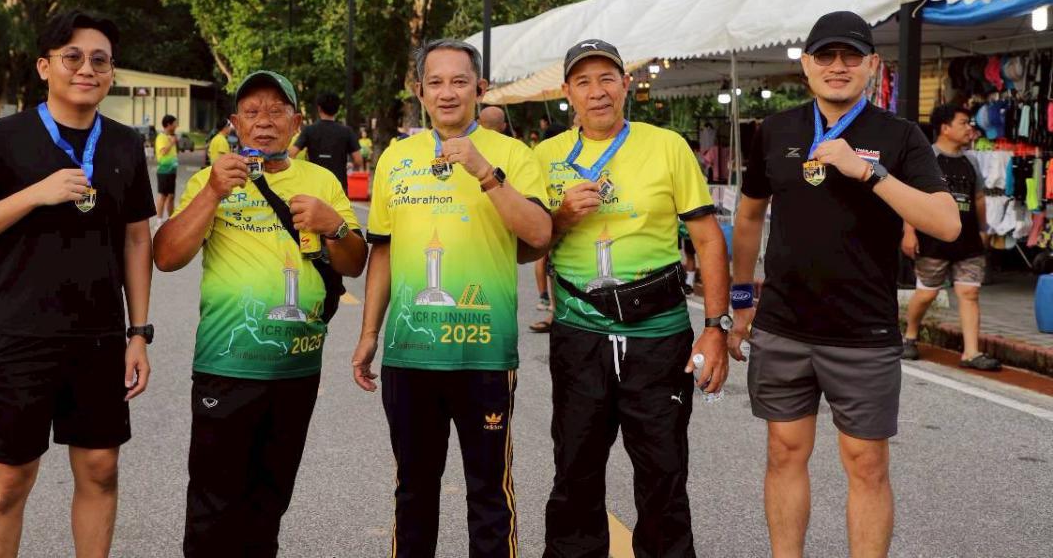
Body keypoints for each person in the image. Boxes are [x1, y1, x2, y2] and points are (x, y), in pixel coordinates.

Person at [729, 11, 960, 558]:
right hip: (783, 325)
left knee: (867, 464)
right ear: (806, 65)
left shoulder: (899, 135)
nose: (838, 66)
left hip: (863, 331)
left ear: (872, 65)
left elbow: (946, 223)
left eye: (851, 55)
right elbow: (748, 216)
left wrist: (870, 172)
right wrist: (740, 300)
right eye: (826, 55)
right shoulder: (776, 130)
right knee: (784, 452)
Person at [0, 10, 155, 558]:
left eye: (100, 60)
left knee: (101, 469)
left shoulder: (124, 144)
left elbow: (137, 239)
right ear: (44, 67)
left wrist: (138, 333)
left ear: (111, 72)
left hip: (99, 337)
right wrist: (34, 194)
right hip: (21, 334)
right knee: (10, 481)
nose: (87, 69)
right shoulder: (3, 138)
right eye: (72, 57)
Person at [154, 70, 367, 556]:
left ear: (297, 122)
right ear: (235, 124)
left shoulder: (320, 181)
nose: (264, 121)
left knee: (269, 500)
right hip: (227, 365)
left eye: (276, 111)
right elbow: (166, 256)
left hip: (297, 368)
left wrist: (334, 226)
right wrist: (212, 193)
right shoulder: (212, 179)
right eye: (252, 112)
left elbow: (354, 264)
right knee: (212, 504)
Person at [353, 39, 551, 558]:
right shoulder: (396, 158)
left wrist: (486, 173)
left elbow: (539, 234)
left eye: (459, 81)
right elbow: (382, 250)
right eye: (435, 82)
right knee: (413, 491)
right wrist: (369, 333)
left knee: (489, 494)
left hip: (484, 352)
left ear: (479, 89)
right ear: (419, 91)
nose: (447, 93)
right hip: (410, 352)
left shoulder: (513, 155)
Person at [533, 39, 730, 558]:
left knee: (664, 475)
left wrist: (716, 327)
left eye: (607, 79)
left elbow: (708, 239)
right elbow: (526, 244)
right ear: (567, 92)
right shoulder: (546, 157)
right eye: (583, 81)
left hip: (658, 339)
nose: (596, 91)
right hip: (579, 337)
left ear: (625, 84)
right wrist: (561, 217)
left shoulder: (666, 146)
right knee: (574, 472)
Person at [902, 105, 1000, 371]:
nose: (970, 128)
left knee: (969, 292)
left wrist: (984, 229)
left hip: (968, 240)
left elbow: (978, 197)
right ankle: (909, 336)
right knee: (927, 294)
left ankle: (971, 353)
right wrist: (909, 232)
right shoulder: (927, 158)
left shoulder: (972, 161)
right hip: (932, 239)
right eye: (963, 123)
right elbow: (912, 198)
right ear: (945, 128)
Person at [289, 91, 363, 192]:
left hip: (314, 185)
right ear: (337, 110)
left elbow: (291, 154)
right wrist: (350, 166)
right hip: (338, 185)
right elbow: (358, 160)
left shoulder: (309, 130)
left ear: (319, 108)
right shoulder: (347, 131)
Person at [155, 114, 179, 223]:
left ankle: (171, 220)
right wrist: (172, 143)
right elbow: (163, 152)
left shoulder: (171, 137)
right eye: (174, 123)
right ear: (168, 124)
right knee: (163, 195)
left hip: (172, 171)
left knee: (171, 196)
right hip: (164, 171)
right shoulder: (161, 137)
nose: (176, 126)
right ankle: (159, 221)